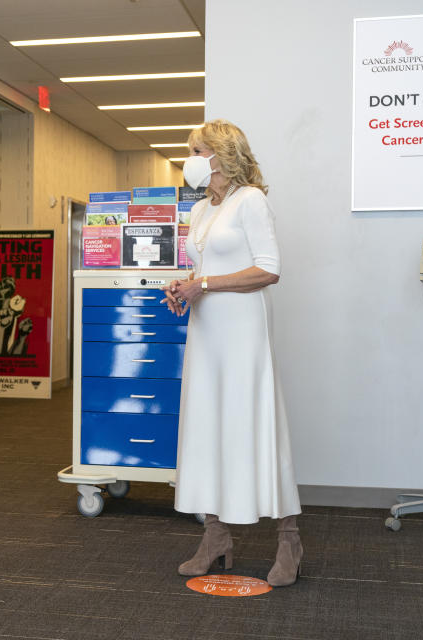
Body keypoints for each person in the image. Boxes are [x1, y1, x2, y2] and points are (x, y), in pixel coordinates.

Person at [161, 119, 303, 588]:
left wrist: (202, 284)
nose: (192, 158)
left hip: (243, 331)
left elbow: (268, 269)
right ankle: (216, 536)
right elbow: (203, 268)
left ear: (221, 155)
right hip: (207, 333)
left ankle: (289, 540)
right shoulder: (201, 209)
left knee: (253, 424)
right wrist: (183, 286)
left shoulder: (252, 200)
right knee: (209, 428)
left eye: (198, 149)